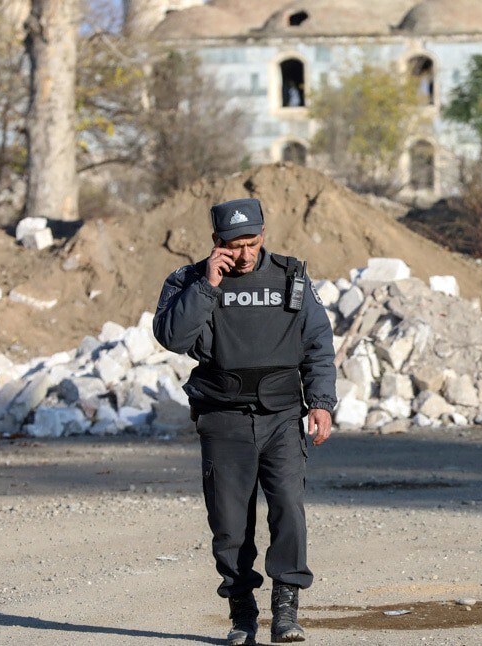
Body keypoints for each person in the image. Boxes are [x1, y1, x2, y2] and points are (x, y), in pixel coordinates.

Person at [153, 197, 336, 645]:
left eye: (252, 243)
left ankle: (286, 609)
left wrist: (321, 402)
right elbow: (172, 338)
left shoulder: (291, 276)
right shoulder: (188, 281)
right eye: (234, 245)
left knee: (289, 509)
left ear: (263, 236)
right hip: (223, 418)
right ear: (216, 242)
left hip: (282, 416)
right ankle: (242, 615)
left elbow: (318, 343)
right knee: (231, 524)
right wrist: (208, 286)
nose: (244, 253)